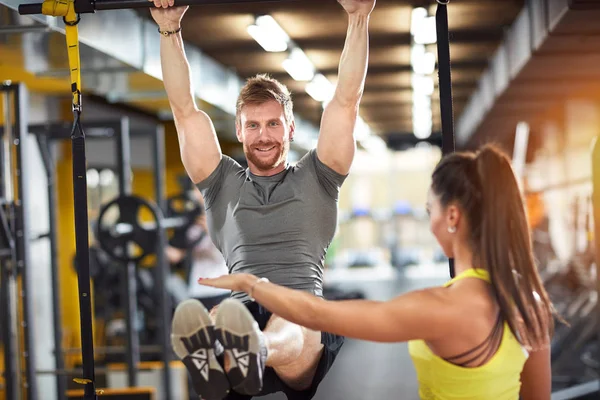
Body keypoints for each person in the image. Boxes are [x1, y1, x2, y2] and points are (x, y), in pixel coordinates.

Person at [199, 145, 557, 400]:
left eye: (430, 208)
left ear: (452, 217)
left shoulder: (440, 308)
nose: (429, 221)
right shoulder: (529, 299)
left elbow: (319, 314)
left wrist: (252, 283)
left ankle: (255, 347)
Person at [147, 0, 375, 399]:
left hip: (303, 319)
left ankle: (250, 349)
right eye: (252, 125)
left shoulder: (319, 176)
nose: (263, 135)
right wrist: (169, 28)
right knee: (223, 316)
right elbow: (184, 110)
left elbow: (346, 100)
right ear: (238, 129)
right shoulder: (220, 184)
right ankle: (224, 349)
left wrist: (359, 17)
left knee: (289, 319)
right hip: (242, 312)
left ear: (289, 128)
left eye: (272, 124)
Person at [165, 189, 230, 311]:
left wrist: (212, 231)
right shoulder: (194, 225)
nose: (195, 193)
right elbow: (176, 255)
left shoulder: (226, 220)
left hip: (221, 289)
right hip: (198, 290)